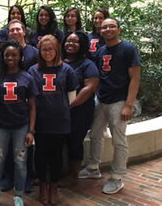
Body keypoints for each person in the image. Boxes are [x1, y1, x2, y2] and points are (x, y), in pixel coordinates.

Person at [78, 18, 141, 195]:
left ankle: (117, 177)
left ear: (119, 29)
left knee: (119, 140)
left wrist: (129, 104)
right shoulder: (101, 50)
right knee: (96, 133)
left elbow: (135, 78)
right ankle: (93, 167)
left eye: (112, 26)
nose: (107, 29)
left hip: (119, 101)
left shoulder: (129, 49)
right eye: (104, 27)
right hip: (101, 99)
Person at [0, 40, 38, 206]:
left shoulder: (27, 77)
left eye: (14, 54)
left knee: (20, 163)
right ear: (2, 56)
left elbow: (32, 107)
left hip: (21, 127)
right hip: (1, 127)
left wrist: (31, 130)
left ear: (20, 56)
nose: (10, 57)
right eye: (7, 54)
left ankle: (18, 195)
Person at [28, 35, 78, 205]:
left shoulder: (67, 70)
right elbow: (30, 98)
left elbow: (72, 97)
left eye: (50, 49)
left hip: (60, 121)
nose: (47, 52)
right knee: (40, 155)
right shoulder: (33, 70)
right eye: (44, 49)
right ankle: (43, 186)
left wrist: (60, 108)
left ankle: (54, 187)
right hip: (40, 121)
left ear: (57, 50)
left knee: (57, 156)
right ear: (39, 51)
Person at [59, 31, 99, 188]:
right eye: (68, 41)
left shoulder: (87, 64)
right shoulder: (59, 61)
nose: (70, 44)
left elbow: (90, 87)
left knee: (74, 141)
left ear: (82, 45)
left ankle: (72, 175)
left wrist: (71, 104)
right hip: (59, 110)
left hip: (80, 110)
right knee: (59, 140)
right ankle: (55, 173)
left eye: (75, 42)